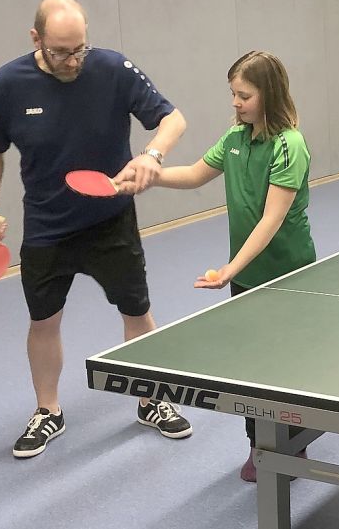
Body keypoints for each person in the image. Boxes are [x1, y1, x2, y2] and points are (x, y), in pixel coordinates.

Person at [0, 0, 191, 458]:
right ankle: (48, 411)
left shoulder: (112, 68)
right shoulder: (10, 82)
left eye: (80, 49)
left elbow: (172, 118)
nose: (73, 61)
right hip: (47, 227)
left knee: (137, 312)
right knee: (43, 321)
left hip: (110, 220)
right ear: (36, 39)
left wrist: (152, 155)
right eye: (60, 52)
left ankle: (151, 398)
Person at [119, 51, 316, 483]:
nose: (235, 102)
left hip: (291, 276)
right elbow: (192, 174)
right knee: (250, 366)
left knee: (288, 366)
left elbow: (271, 218)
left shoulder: (290, 145)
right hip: (245, 277)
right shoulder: (234, 139)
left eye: (243, 95)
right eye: (233, 94)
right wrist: (147, 173)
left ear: (269, 95)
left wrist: (229, 268)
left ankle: (294, 445)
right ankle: (259, 446)